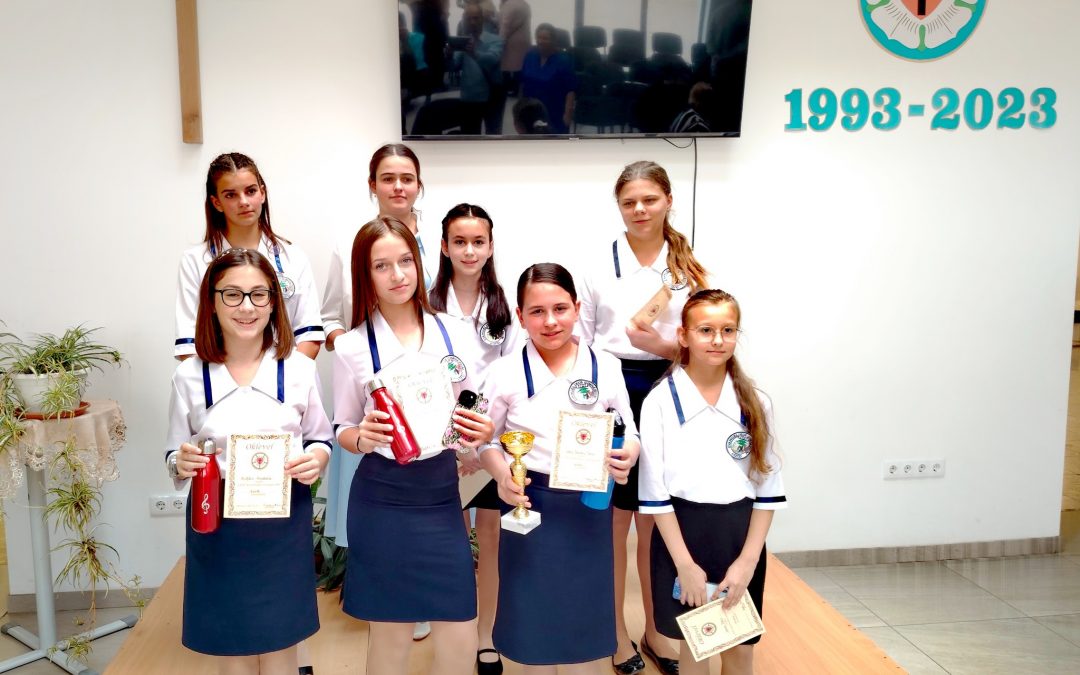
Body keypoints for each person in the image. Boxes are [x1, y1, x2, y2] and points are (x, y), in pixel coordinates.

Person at [332, 216, 495, 674]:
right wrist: (361, 437)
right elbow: (342, 427)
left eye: (405, 261)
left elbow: (473, 401)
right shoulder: (351, 346)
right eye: (381, 266)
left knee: (460, 629)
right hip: (383, 497)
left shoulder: (452, 331)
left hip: (441, 495)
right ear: (365, 275)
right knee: (391, 635)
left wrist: (480, 430)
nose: (398, 275)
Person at [165, 248, 332, 674]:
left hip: (282, 519)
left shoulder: (298, 368)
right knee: (230, 641)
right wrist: (181, 461)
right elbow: (173, 451)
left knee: (280, 639)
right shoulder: (189, 375)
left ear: (274, 302)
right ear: (211, 301)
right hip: (216, 521)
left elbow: (320, 437)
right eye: (233, 294)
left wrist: (316, 459)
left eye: (259, 295)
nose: (247, 307)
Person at [578, 160, 711, 675]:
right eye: (629, 202)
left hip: (670, 388)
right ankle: (615, 635)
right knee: (613, 521)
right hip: (611, 392)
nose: (639, 210)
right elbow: (581, 343)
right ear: (618, 206)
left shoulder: (689, 270)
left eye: (649, 200)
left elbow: (703, 343)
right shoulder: (597, 264)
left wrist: (660, 346)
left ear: (668, 201)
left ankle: (658, 631)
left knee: (657, 517)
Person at [480, 263, 639, 673]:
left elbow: (629, 430)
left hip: (589, 506)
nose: (550, 321)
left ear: (577, 309)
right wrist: (502, 475)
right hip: (529, 503)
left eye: (560, 309)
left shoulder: (606, 366)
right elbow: (485, 441)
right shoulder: (504, 373)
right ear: (520, 316)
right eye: (537, 311)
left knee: (583, 620)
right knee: (533, 622)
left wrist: (629, 453)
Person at [638, 289, 786, 675]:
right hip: (682, 539)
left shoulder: (756, 403)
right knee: (696, 648)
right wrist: (685, 565)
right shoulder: (660, 402)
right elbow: (654, 494)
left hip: (739, 539)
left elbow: (768, 491)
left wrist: (746, 563)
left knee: (739, 650)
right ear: (683, 336)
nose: (718, 340)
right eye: (705, 330)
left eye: (728, 330)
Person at [428, 203, 520, 674]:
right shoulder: (426, 304)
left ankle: (487, 635)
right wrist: (457, 445)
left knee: (492, 538)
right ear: (444, 247)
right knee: (451, 542)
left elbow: (511, 378)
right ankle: (455, 632)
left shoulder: (502, 306)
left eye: (478, 242)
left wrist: (482, 446)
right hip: (440, 443)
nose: (469, 251)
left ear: (490, 246)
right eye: (459, 242)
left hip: (492, 441)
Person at [175, 152, 323, 361]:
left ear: (262, 193)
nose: (243, 202)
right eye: (230, 195)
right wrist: (225, 380)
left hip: (286, 376)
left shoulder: (293, 257)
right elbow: (188, 344)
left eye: (250, 191)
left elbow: (309, 335)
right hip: (218, 378)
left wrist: (281, 377)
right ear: (216, 202)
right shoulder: (195, 261)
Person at [452, 2, 505, 134]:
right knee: (469, 137)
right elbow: (454, 66)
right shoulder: (462, 41)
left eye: (476, 18)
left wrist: (474, 54)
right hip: (469, 97)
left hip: (492, 95)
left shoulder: (496, 40)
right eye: (469, 18)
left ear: (482, 19)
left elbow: (493, 59)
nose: (472, 22)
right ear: (464, 20)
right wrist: (447, 55)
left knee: (493, 136)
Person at [519, 23, 576, 134]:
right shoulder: (530, 56)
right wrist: (519, 111)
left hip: (554, 113)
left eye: (545, 38)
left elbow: (570, 90)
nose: (541, 41)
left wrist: (568, 114)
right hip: (530, 111)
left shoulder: (563, 60)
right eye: (539, 38)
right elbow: (522, 83)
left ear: (554, 40)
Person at [499, 0, 531, 96]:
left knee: (507, 66)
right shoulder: (525, 4)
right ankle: (517, 89)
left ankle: (508, 90)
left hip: (511, 42)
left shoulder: (509, 5)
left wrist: (499, 42)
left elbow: (506, 25)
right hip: (524, 39)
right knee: (520, 66)